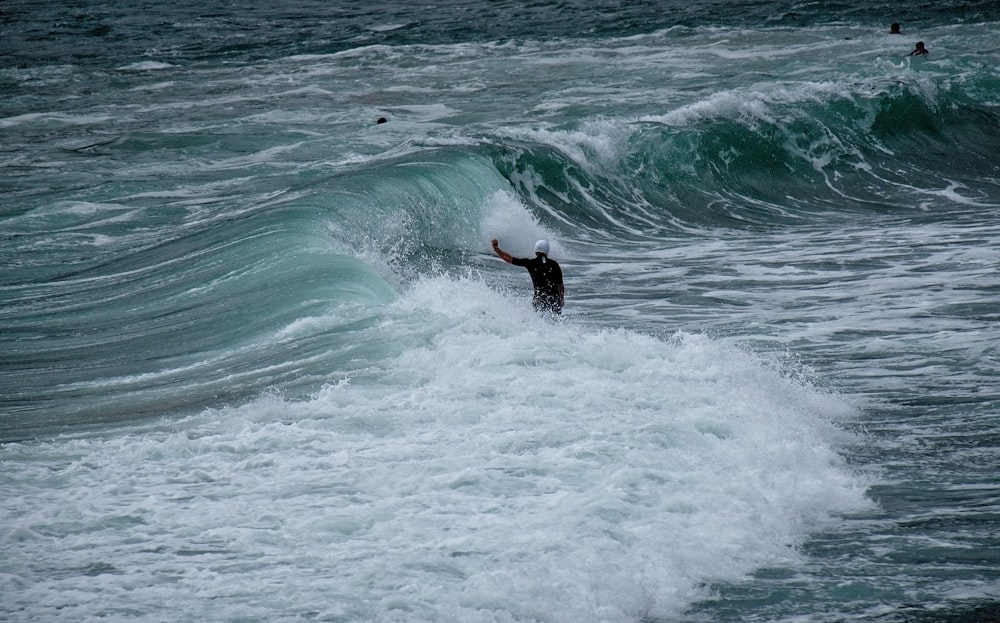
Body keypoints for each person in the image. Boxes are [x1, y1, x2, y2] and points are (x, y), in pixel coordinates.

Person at [492, 238, 565, 315]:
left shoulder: (530, 263)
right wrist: (561, 299)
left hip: (540, 298)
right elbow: (560, 285)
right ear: (547, 250)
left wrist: (496, 249)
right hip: (554, 299)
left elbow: (509, 259)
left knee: (538, 321)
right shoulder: (554, 264)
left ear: (536, 250)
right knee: (555, 322)